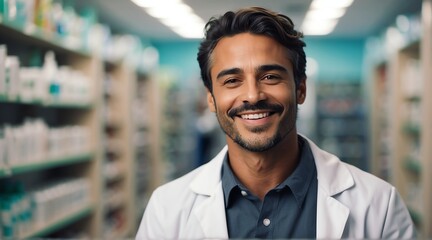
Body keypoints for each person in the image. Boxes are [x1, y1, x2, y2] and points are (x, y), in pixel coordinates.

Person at [136, 7, 415, 239]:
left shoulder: (378, 205)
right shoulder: (167, 210)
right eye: (232, 81)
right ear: (211, 98)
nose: (252, 95)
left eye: (270, 76)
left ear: (300, 89)